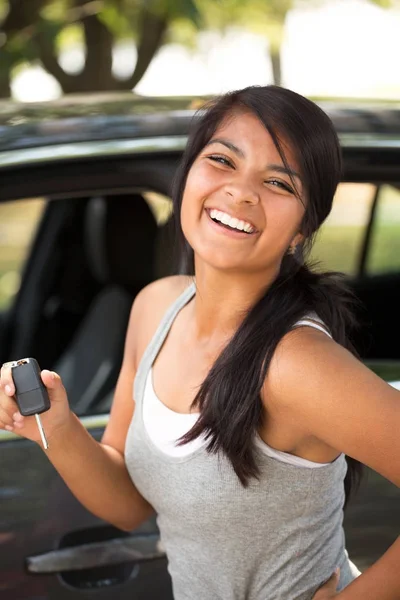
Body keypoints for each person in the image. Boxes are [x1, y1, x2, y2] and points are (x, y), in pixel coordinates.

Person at [1, 85, 399, 600]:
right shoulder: (155, 308)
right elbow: (129, 503)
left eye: (278, 181)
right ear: (187, 176)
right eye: (221, 160)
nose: (241, 192)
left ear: (303, 228)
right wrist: (54, 426)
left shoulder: (295, 364)